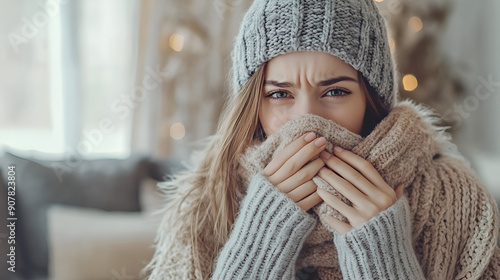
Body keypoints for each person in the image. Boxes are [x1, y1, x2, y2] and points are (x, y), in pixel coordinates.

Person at [144, 0, 500, 279]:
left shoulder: (457, 201)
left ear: (370, 100)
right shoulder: (202, 205)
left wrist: (382, 260)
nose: (307, 119)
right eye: (280, 95)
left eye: (335, 91)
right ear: (254, 106)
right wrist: (258, 245)